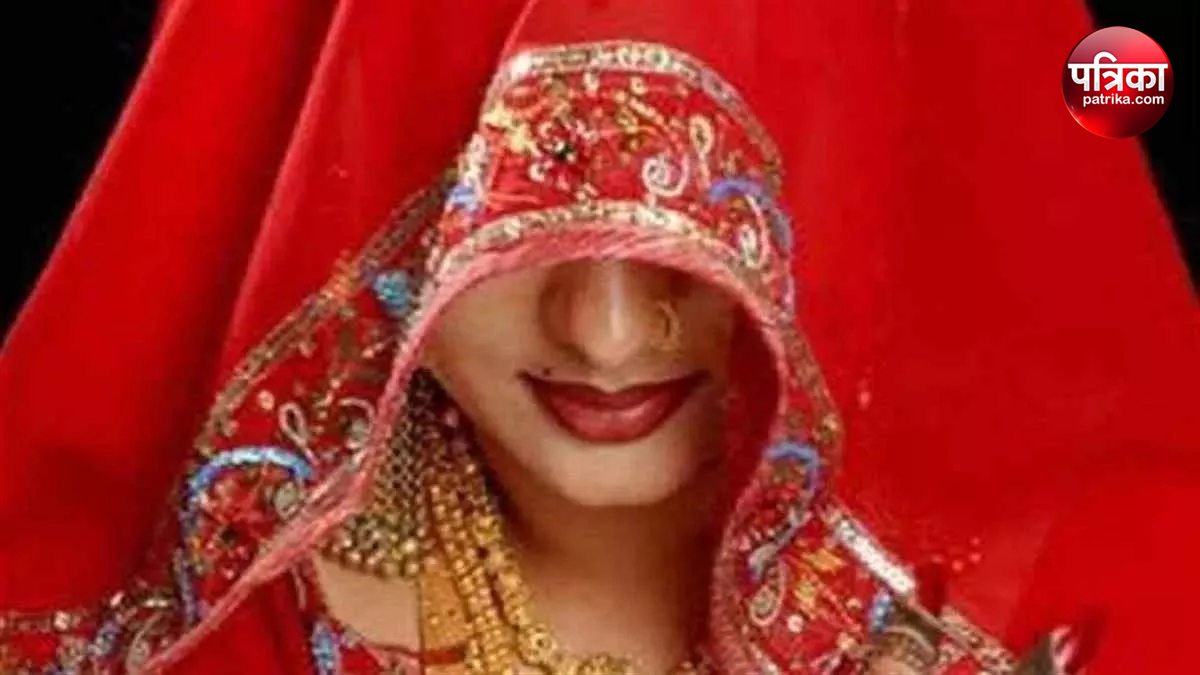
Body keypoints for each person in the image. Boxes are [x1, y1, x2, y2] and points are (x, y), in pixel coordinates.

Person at [2, 0, 1196, 673]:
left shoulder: (1111, 609)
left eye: (709, 214)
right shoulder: (188, 642)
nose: (610, 335)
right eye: (504, 219)